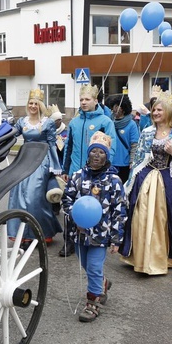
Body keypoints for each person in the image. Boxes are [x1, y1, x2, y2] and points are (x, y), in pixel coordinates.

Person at [120, 92, 172, 275]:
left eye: (159, 110)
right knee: (141, 215)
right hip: (146, 177)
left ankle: (165, 255)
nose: (155, 113)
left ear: (168, 111)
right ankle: (139, 255)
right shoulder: (146, 132)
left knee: (165, 217)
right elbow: (139, 158)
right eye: (154, 110)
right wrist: (133, 180)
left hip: (167, 178)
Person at [61, 132, 126, 322]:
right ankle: (102, 284)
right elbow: (67, 200)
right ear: (88, 154)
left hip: (101, 234)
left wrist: (116, 239)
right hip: (79, 233)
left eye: (101, 153)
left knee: (94, 267)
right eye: (93, 152)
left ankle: (92, 303)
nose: (97, 155)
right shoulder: (77, 176)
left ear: (107, 156)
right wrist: (74, 216)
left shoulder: (114, 181)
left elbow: (119, 211)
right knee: (86, 266)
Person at [59, 84, 117, 257]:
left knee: (94, 205)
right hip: (77, 171)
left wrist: (106, 169)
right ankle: (68, 241)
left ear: (95, 101)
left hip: (96, 173)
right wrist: (65, 169)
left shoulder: (105, 121)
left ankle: (95, 239)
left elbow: (110, 147)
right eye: (81, 99)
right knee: (71, 206)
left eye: (87, 99)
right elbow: (68, 146)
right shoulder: (75, 122)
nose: (84, 102)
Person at [7, 89, 63, 244]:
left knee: (35, 198)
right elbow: (11, 135)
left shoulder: (48, 123)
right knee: (18, 196)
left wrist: (54, 166)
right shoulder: (21, 122)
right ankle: (22, 235)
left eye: (36, 104)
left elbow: (52, 144)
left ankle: (41, 232)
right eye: (30, 103)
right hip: (23, 160)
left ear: (40, 106)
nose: (32, 106)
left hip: (41, 161)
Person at [104, 93, 139, 183]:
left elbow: (134, 145)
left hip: (125, 164)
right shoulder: (109, 122)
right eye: (113, 106)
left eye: (117, 106)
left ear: (123, 108)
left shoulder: (132, 124)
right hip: (110, 162)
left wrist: (132, 162)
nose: (114, 109)